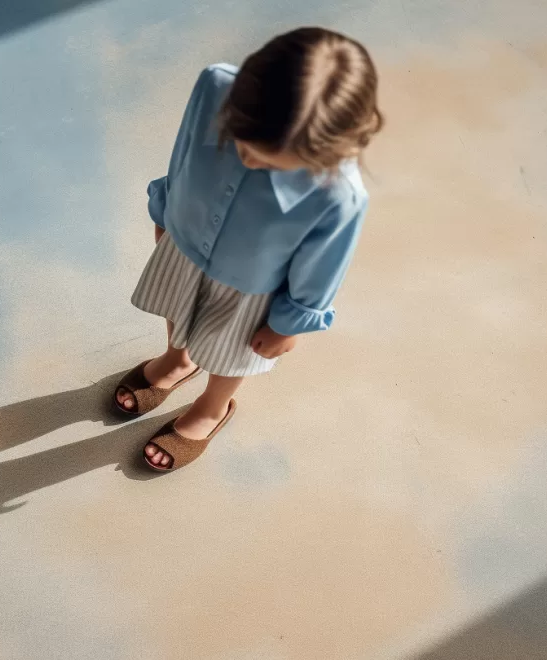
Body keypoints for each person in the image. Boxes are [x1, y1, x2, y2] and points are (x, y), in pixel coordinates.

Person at [114, 27, 383, 471]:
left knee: (232, 350)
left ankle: (213, 406)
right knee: (175, 306)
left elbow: (324, 265)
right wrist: (166, 210)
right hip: (187, 238)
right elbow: (183, 151)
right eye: (241, 143)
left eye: (271, 162)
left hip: (251, 286)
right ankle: (176, 360)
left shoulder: (339, 195)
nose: (250, 159)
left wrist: (288, 324)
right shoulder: (215, 85)